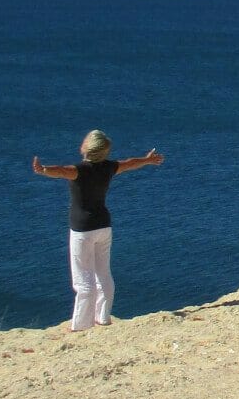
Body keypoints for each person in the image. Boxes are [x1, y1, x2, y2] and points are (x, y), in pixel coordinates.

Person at [30, 130, 165, 332]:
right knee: (103, 273)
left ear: (87, 148)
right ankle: (103, 318)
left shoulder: (80, 170)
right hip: (104, 225)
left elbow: (60, 171)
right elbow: (130, 163)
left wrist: (42, 170)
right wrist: (147, 160)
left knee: (83, 279)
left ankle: (81, 326)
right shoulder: (109, 168)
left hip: (82, 230)